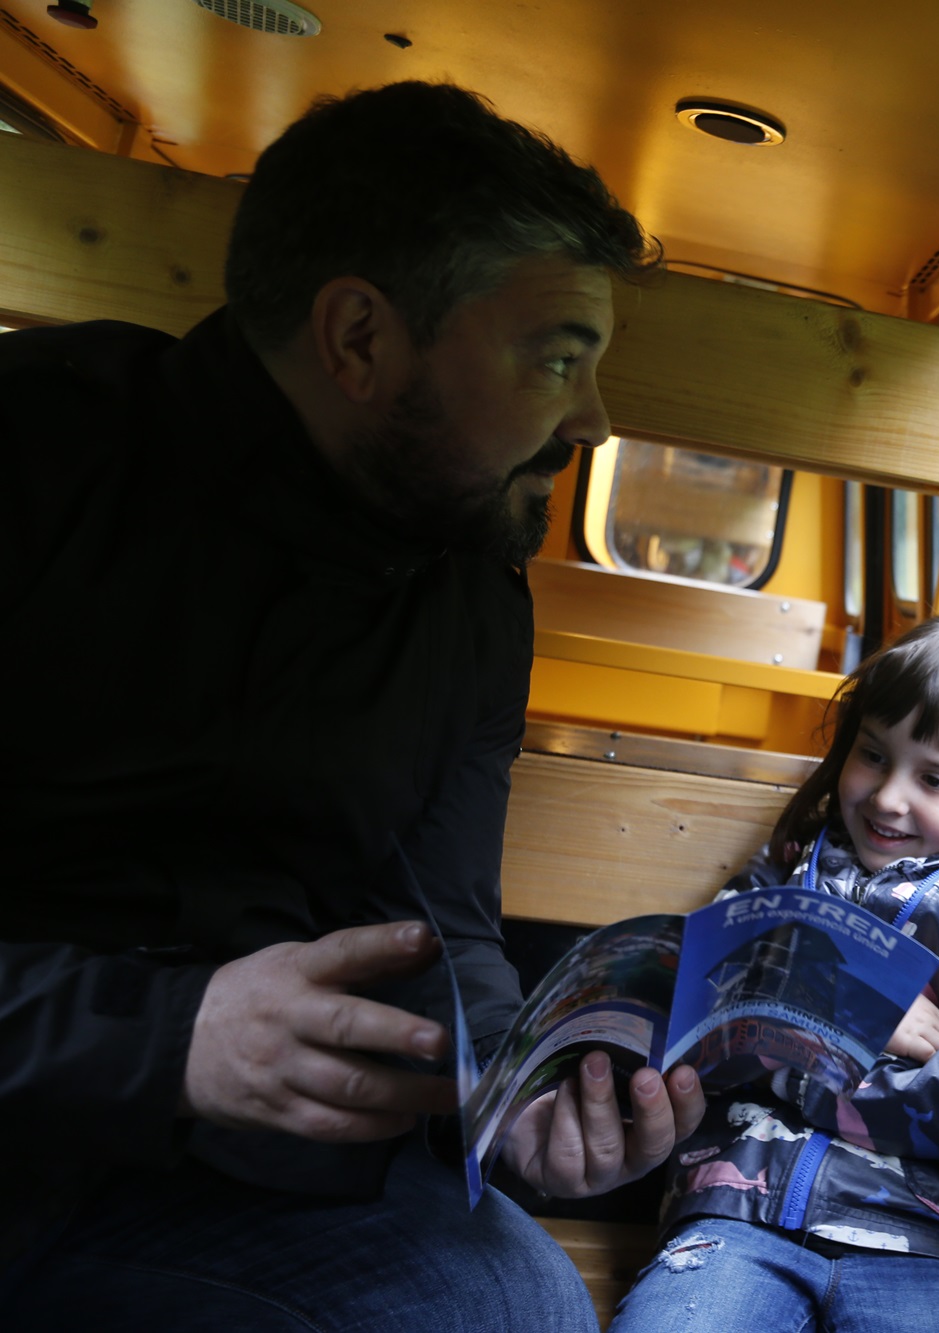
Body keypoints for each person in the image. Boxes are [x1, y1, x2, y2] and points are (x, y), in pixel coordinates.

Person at [0, 81, 705, 1328]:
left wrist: (518, 1101)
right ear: (360, 338)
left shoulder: (473, 584)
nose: (591, 421)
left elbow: (448, 920)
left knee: (518, 1308)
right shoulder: (37, 447)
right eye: (558, 358)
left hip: (232, 1177)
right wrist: (163, 1037)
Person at [608, 612, 939, 1333]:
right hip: (739, 1217)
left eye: (937, 778)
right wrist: (859, 1013)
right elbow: (698, 1024)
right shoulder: (788, 868)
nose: (889, 798)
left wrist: (784, 1048)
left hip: (932, 1242)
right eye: (874, 755)